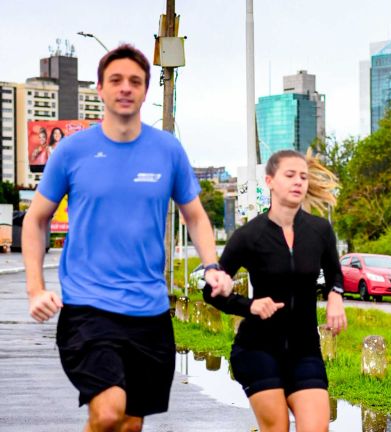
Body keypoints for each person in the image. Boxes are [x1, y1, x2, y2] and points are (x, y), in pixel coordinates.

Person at [22, 44, 233, 432]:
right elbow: (36, 220)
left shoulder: (167, 150)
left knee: (131, 422)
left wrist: (212, 266)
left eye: (135, 81)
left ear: (146, 90)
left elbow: (196, 216)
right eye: (115, 80)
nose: (125, 88)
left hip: (149, 313)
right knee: (107, 412)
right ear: (100, 89)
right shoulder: (71, 151)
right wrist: (36, 288)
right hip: (89, 308)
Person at [203, 149, 347, 432]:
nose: (298, 182)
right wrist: (249, 306)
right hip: (257, 348)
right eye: (290, 175)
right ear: (269, 181)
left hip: (304, 349)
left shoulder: (320, 231)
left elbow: (335, 274)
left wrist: (335, 295)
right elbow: (211, 292)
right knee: (277, 427)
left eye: (303, 177)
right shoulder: (249, 236)